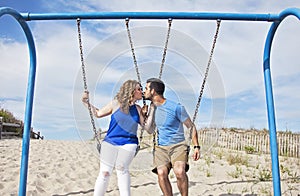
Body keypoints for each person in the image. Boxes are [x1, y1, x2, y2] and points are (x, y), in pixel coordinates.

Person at [81, 79, 147, 196]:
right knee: (105, 172)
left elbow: (147, 128)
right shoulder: (115, 104)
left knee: (121, 168)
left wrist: (149, 112)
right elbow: (98, 113)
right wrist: (86, 102)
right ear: (131, 91)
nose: (141, 91)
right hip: (110, 141)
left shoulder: (137, 109)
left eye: (141, 89)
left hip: (129, 142)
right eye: (138, 89)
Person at [143, 78, 200, 196]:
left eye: (147, 88)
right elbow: (149, 130)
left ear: (153, 91)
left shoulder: (176, 108)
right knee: (161, 173)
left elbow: (191, 126)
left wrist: (196, 146)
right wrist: (145, 116)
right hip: (161, 148)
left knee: (179, 172)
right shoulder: (152, 109)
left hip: (178, 146)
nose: (145, 91)